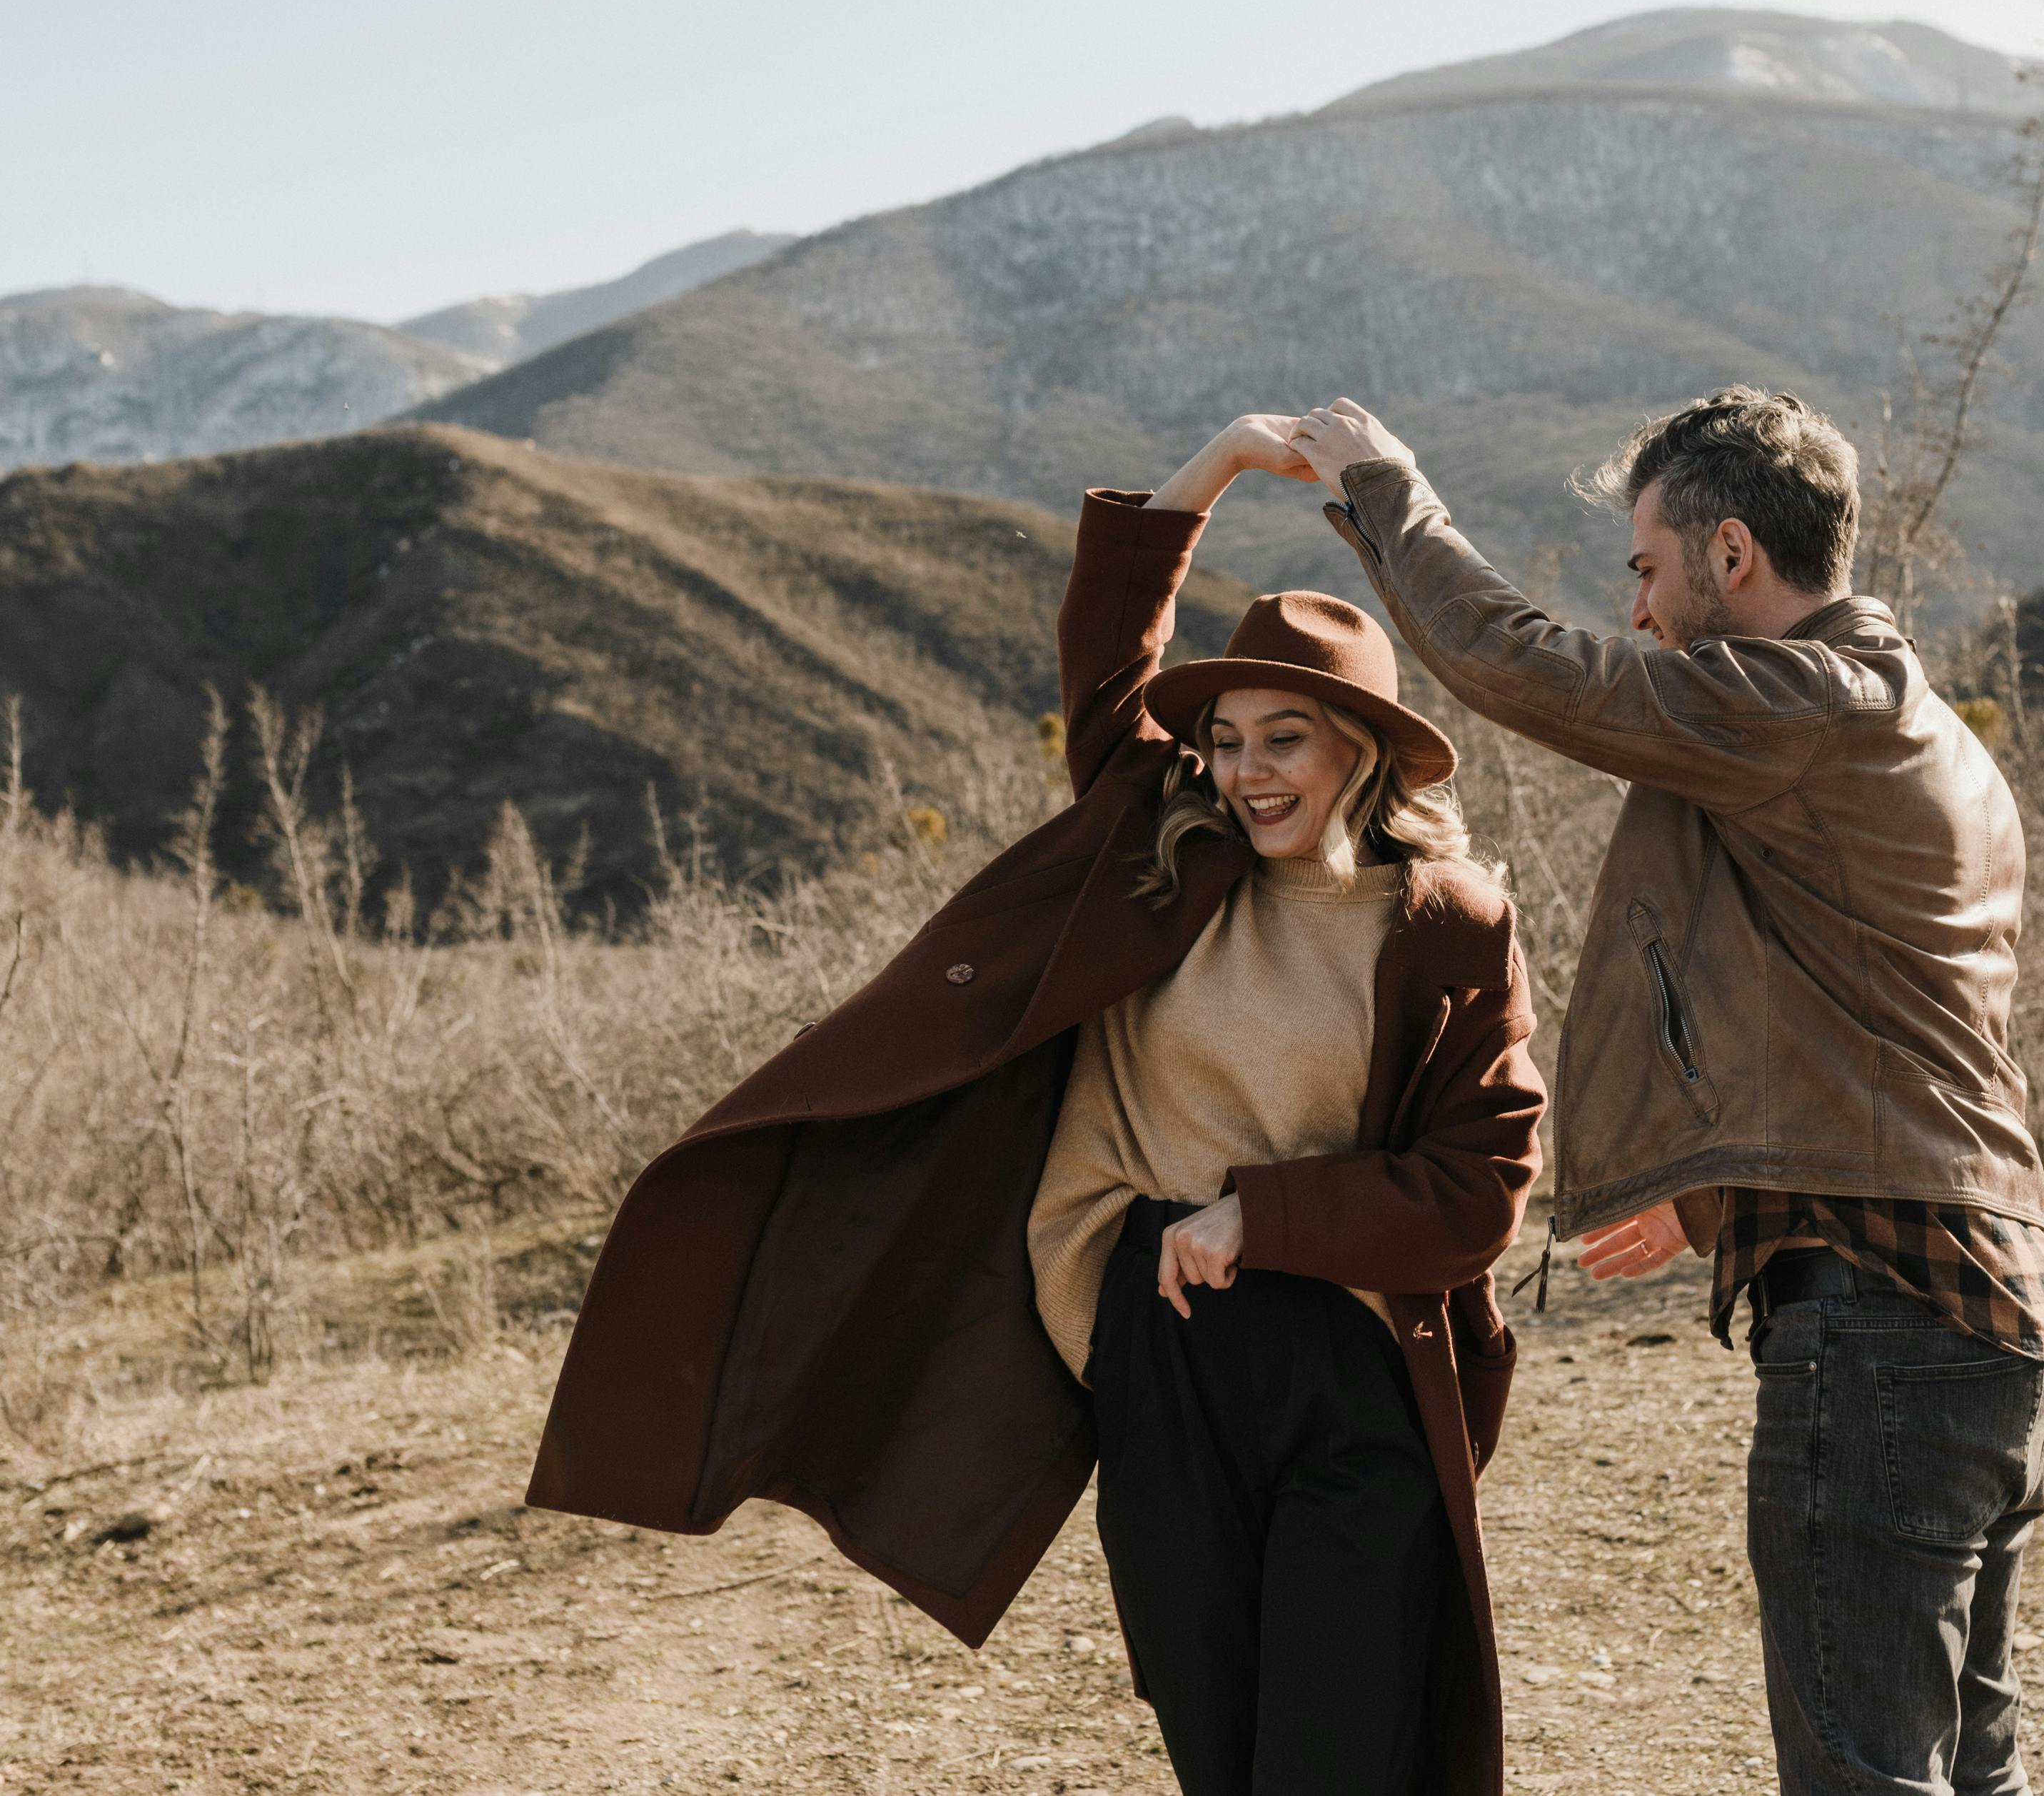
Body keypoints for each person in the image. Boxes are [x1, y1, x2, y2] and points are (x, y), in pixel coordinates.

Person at [526, 413, 1546, 1796]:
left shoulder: (1445, 924)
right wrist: (1217, 467)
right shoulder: (1155, 847)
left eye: (1283, 741)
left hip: (1347, 1375)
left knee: (1334, 1756)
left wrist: (1262, 1215)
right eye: (1228, 739)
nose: (1245, 772)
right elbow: (1110, 653)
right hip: (1159, 1348)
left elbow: (1479, 1185)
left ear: (1360, 751)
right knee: (1217, 1741)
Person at [1284, 390, 2044, 1796]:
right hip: (1992, 1305)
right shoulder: (1919, 731)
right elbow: (1862, 1023)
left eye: (1646, 571)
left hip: (1886, 1324)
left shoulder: (1798, 706)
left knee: (1864, 1776)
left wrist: (1387, 493)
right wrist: (1715, 1178)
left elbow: (1519, 664)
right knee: (1967, 1771)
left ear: (1728, 556)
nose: (1638, 614)